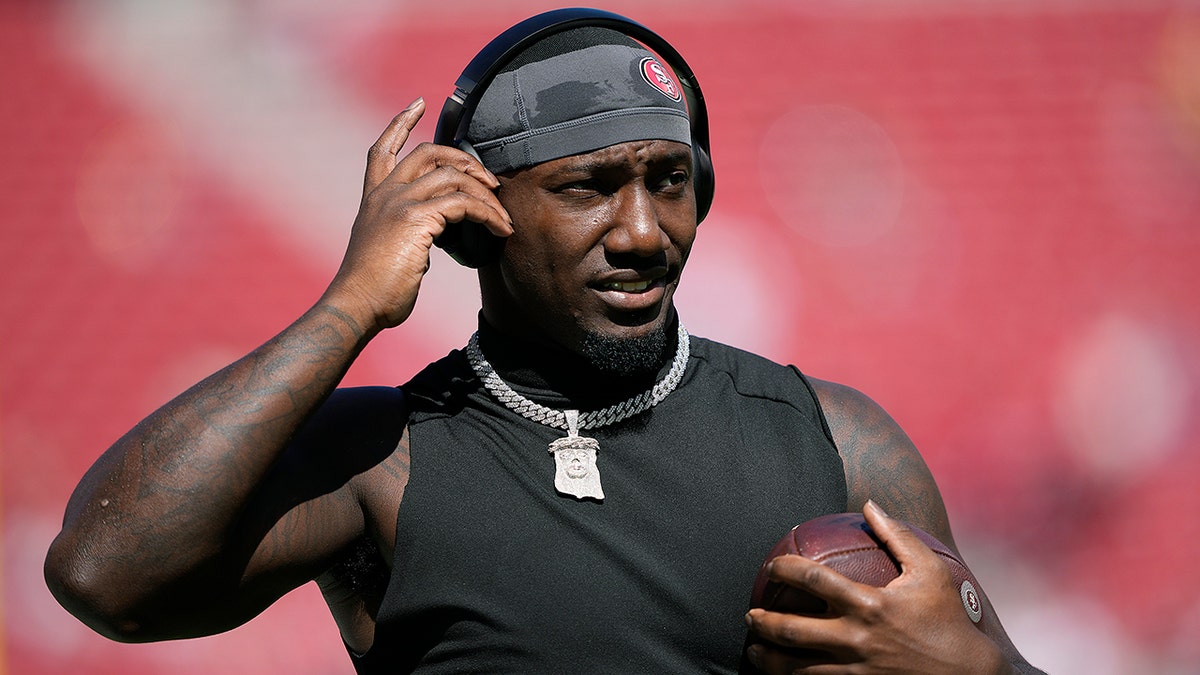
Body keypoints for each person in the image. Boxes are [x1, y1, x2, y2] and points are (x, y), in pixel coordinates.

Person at [44, 10, 1044, 674]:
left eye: (669, 179)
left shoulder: (839, 441)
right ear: (478, 219)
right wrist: (348, 306)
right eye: (588, 187)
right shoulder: (381, 463)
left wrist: (989, 671)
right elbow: (105, 576)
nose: (645, 230)